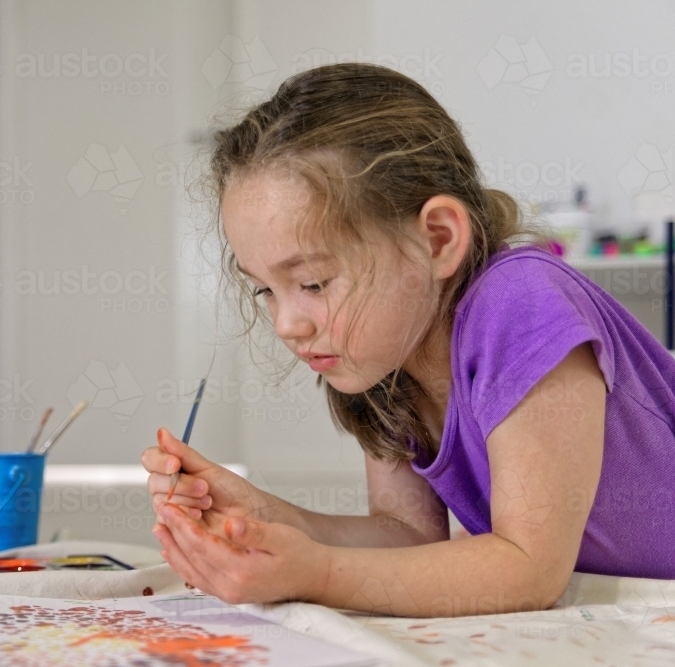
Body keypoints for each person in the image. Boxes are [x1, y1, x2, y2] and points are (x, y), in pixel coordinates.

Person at [141, 63, 675, 617]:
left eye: (313, 283)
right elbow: (408, 537)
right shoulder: (379, 359)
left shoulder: (520, 302)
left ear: (438, 239)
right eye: (265, 291)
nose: (287, 324)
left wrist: (316, 573)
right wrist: (268, 518)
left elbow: (528, 568)